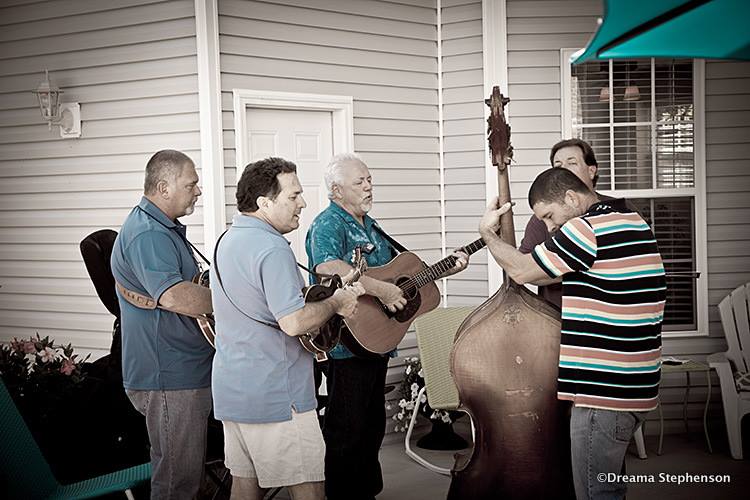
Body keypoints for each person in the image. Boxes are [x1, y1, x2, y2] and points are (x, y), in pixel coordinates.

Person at [479, 168, 665, 500]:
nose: (550, 227)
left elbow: (522, 271)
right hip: (635, 387)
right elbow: (547, 274)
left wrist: (487, 235)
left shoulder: (586, 229)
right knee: (610, 487)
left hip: (603, 393)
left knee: (596, 493)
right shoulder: (633, 221)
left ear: (570, 197)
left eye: (549, 216)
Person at [305, 153, 469, 500]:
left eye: (369, 179)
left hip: (376, 340)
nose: (368, 186)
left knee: (370, 426)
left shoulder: (371, 225)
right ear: (337, 190)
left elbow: (400, 278)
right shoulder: (328, 224)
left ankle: (366, 493)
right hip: (346, 341)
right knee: (347, 430)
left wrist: (445, 269)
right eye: (359, 181)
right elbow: (327, 266)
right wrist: (381, 290)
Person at [210, 157, 364, 500]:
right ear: (264, 203)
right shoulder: (271, 248)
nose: (303, 203)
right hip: (277, 396)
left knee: (244, 487)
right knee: (309, 489)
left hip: (233, 389)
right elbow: (293, 322)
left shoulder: (226, 239)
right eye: (293, 196)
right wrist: (337, 303)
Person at [111, 149, 214, 499]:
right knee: (177, 484)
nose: (198, 191)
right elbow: (172, 295)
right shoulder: (149, 234)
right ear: (164, 187)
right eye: (191, 184)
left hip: (181, 370)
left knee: (187, 479)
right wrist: (235, 303)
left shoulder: (158, 227)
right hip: (170, 374)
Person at [519, 138, 604, 308]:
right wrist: (571, 268)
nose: (563, 169)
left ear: (591, 171)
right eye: (557, 165)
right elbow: (523, 267)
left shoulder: (619, 211)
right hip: (557, 316)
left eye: (572, 163)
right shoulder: (541, 220)